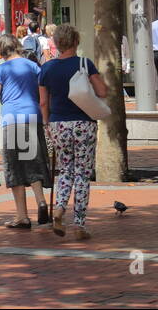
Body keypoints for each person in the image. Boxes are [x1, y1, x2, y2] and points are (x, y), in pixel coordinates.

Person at [38, 23, 108, 239]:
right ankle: (79, 224)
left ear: (56, 43)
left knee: (65, 170)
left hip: (58, 124)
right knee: (82, 173)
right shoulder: (84, 64)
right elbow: (102, 91)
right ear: (76, 41)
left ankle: (59, 208)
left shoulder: (47, 68)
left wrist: (47, 124)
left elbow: (43, 102)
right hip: (83, 123)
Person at [0, 34, 50, 228]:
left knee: (14, 167)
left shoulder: (1, 70)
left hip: (12, 121)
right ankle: (41, 201)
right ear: (17, 46)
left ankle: (22, 216)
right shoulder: (33, 66)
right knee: (33, 161)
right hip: (33, 118)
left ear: (0, 50)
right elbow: (44, 95)